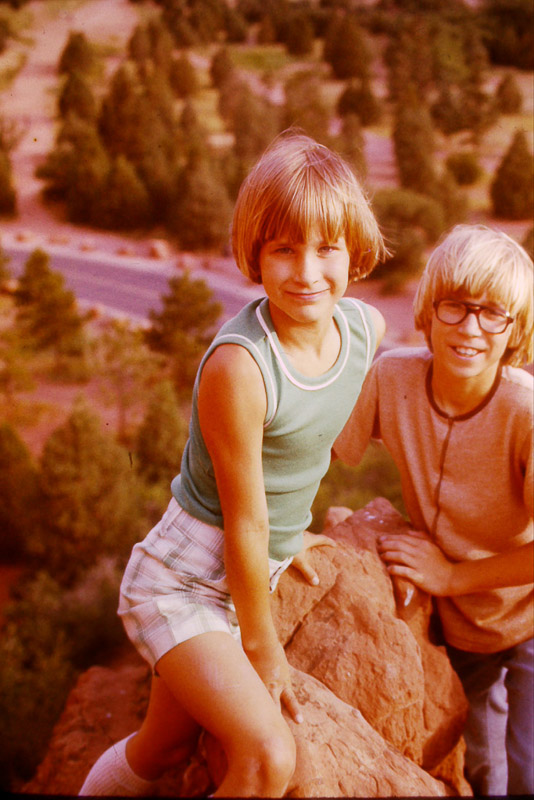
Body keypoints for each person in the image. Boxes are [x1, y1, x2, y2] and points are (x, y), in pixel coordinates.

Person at [78, 131, 387, 798]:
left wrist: (292, 533)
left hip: (250, 568)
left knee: (164, 748)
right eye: (284, 249)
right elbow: (244, 520)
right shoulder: (240, 367)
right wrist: (262, 647)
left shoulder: (365, 330)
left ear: (354, 251)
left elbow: (304, 448)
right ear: (255, 254)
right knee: (269, 757)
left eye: (327, 248)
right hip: (184, 580)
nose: (307, 271)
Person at [334, 224, 533, 796]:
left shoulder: (525, 413)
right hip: (461, 626)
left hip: (526, 613)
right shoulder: (392, 377)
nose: (470, 328)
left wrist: (449, 576)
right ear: (428, 309)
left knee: (529, 769)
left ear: (515, 329)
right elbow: (323, 450)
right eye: (455, 306)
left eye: (493, 314)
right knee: (484, 769)